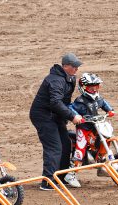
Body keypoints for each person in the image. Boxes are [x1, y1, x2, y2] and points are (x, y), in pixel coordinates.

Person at [30, 53, 85, 190]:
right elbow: (55, 102)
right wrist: (72, 117)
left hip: (56, 115)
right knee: (54, 147)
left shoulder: (69, 78)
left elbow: (64, 102)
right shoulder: (55, 80)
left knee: (66, 144)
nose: (76, 69)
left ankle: (60, 177)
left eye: (77, 66)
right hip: (43, 116)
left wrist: (72, 113)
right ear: (65, 66)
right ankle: (48, 181)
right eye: (74, 66)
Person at [69, 73, 116, 174]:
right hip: (84, 127)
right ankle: (72, 172)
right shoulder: (80, 100)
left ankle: (101, 161)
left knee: (106, 139)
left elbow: (103, 103)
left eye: (96, 86)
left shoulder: (98, 98)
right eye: (91, 88)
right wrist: (77, 116)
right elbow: (71, 108)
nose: (94, 89)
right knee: (80, 147)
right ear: (84, 88)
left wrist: (109, 110)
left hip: (96, 125)